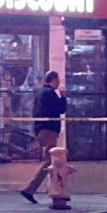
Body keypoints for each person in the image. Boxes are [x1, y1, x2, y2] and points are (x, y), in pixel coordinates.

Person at [20, 71, 68, 203]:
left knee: (51, 160)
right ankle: (31, 189)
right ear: (52, 80)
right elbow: (61, 109)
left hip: (41, 129)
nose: (59, 83)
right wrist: (63, 96)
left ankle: (46, 188)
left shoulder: (40, 93)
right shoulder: (50, 93)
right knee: (51, 160)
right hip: (49, 130)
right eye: (58, 80)